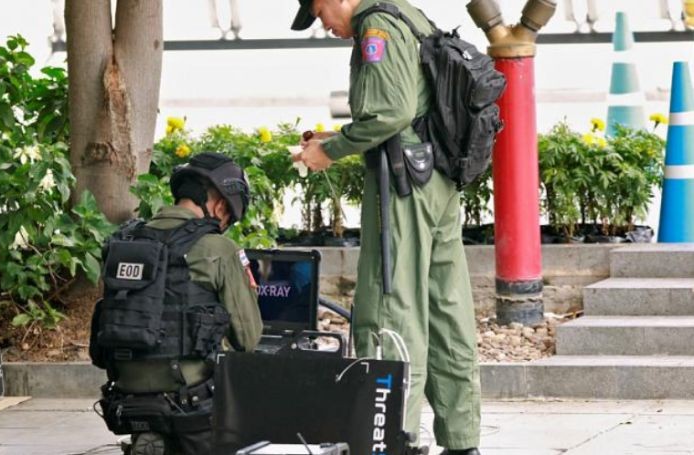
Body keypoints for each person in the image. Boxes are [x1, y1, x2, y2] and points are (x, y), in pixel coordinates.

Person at [290, 1, 481, 454]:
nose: (325, 26)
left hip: (402, 185)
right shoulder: (408, 14)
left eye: (320, 14)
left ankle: (392, 437)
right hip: (436, 177)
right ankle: (462, 440)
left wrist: (329, 152)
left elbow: (391, 113)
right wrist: (333, 139)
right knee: (446, 310)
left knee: (389, 306)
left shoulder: (375, 26)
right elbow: (410, 105)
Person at [90, 152, 263, 455]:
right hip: (189, 406)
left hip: (125, 399)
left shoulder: (126, 241)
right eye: (228, 219)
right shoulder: (218, 248)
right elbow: (247, 339)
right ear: (220, 205)